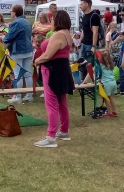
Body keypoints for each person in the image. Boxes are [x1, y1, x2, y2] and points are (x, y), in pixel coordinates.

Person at [33, 10, 75, 148]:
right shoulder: (67, 34)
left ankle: (50, 137)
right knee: (62, 101)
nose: (51, 21)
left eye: (52, 19)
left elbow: (47, 56)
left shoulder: (58, 35)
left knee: (51, 103)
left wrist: (36, 61)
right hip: (61, 69)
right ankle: (63, 130)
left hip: (52, 70)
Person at [4, 5, 35, 103]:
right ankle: (29, 96)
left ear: (15, 12)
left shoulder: (16, 23)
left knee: (18, 74)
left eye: (11, 11)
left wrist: (3, 37)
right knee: (28, 74)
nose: (10, 12)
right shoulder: (27, 22)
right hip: (28, 49)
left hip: (17, 50)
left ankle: (17, 97)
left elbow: (8, 37)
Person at [97, 49, 118, 117]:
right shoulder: (111, 64)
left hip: (107, 83)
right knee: (111, 97)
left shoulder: (101, 65)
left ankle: (109, 112)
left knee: (106, 98)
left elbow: (97, 52)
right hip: (113, 82)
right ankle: (114, 111)